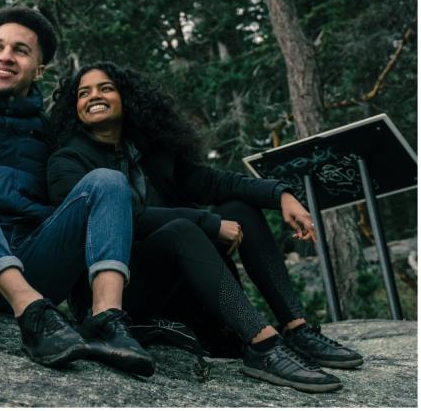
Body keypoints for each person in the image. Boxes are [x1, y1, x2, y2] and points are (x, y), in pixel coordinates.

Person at [47, 62, 363, 393]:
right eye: (84, 93)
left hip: (173, 276)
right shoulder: (66, 163)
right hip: (117, 292)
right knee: (182, 228)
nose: (94, 96)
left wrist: (279, 193)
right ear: (75, 108)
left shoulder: (149, 151)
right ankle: (263, 346)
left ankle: (297, 328)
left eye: (105, 88)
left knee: (239, 208)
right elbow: (124, 218)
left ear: (126, 97)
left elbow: (213, 182)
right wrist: (208, 223)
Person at [0, 9, 154, 377]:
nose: (5, 57)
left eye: (20, 50)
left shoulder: (50, 132)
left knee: (107, 180)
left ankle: (106, 321)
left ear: (39, 69)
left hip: (33, 264)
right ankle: (29, 311)